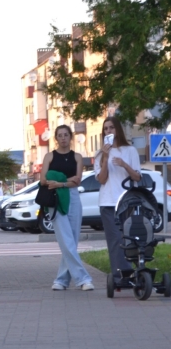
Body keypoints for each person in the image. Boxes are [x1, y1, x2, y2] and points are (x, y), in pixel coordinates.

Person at [41, 124, 94, 291]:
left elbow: (77, 180)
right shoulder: (49, 156)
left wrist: (60, 182)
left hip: (72, 196)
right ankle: (83, 279)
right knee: (66, 239)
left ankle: (61, 280)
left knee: (72, 239)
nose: (63, 138)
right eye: (60, 135)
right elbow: (43, 180)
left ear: (70, 137)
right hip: (55, 198)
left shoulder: (77, 157)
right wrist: (62, 182)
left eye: (66, 135)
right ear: (55, 138)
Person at [94, 116, 141, 287]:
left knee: (131, 238)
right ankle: (119, 277)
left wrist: (124, 164)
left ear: (118, 130)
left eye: (111, 128)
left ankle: (135, 274)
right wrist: (106, 157)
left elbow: (137, 176)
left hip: (127, 201)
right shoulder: (100, 154)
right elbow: (102, 179)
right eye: (105, 129)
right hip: (108, 202)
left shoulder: (130, 151)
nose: (108, 131)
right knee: (114, 241)